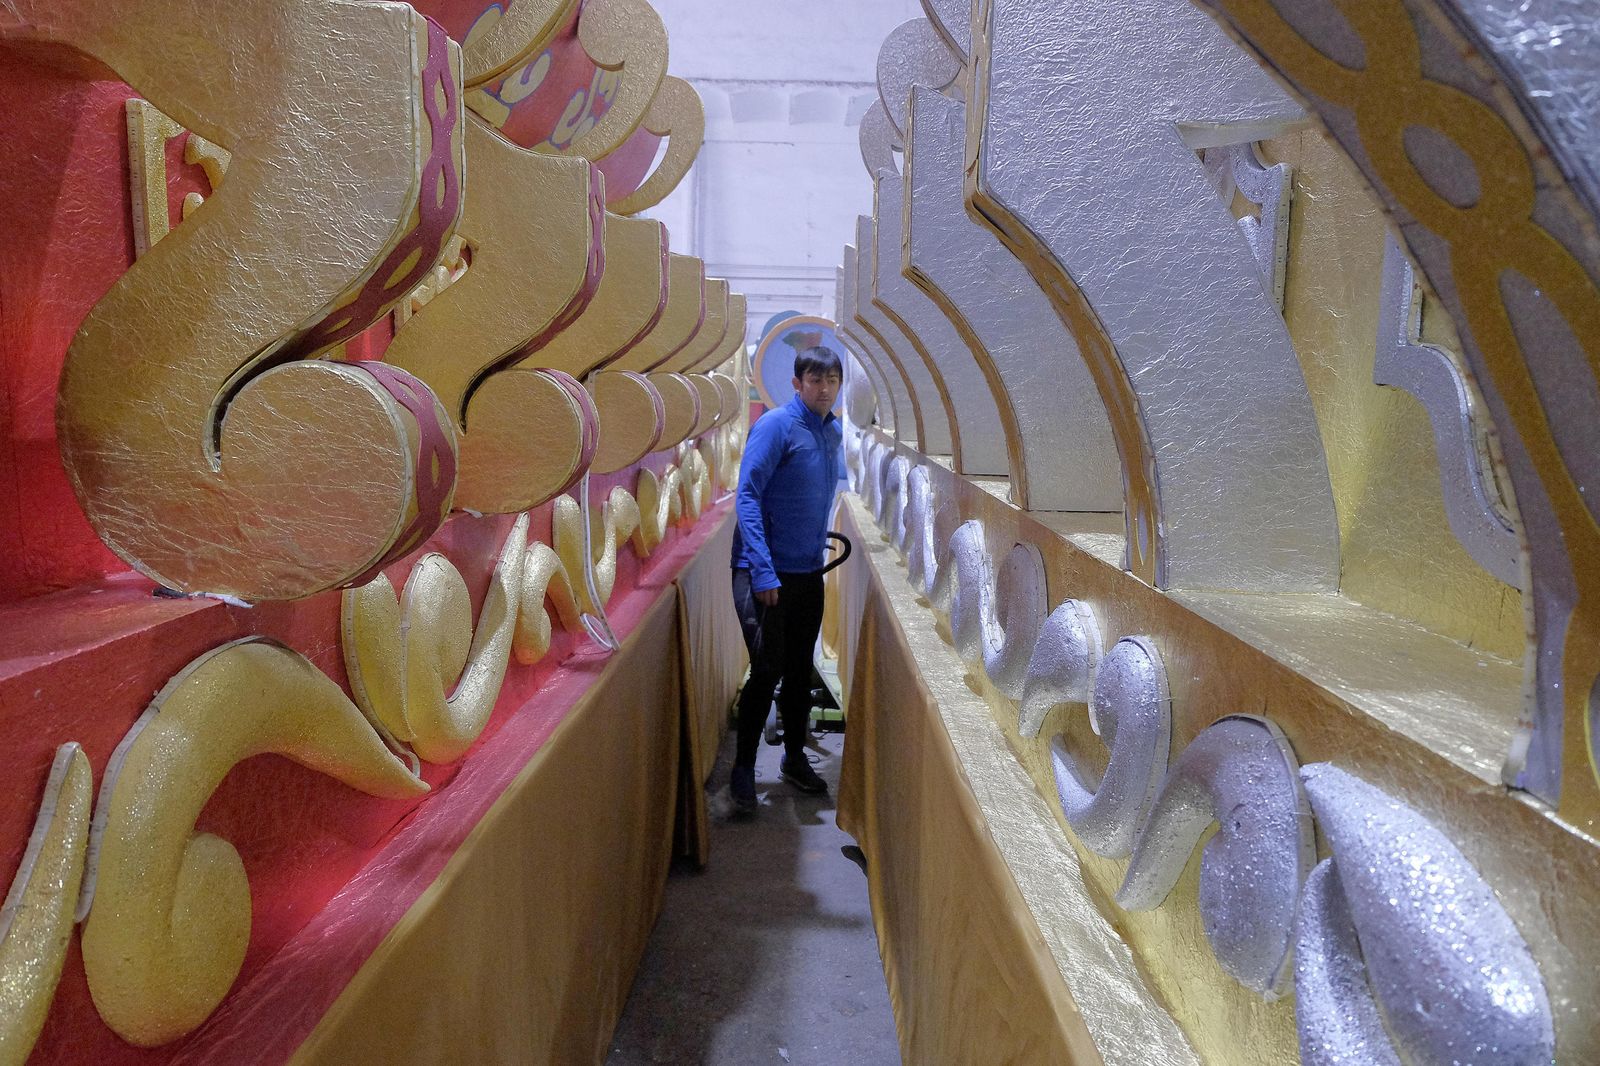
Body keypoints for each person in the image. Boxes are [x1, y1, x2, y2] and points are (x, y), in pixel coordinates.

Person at [728, 345, 844, 811]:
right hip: (766, 574)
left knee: (799, 669)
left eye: (832, 381)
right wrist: (761, 569)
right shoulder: (776, 425)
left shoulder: (831, 431)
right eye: (815, 381)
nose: (824, 389)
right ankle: (742, 769)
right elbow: (748, 496)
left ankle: (794, 758)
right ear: (797, 384)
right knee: (768, 667)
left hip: (807, 571)